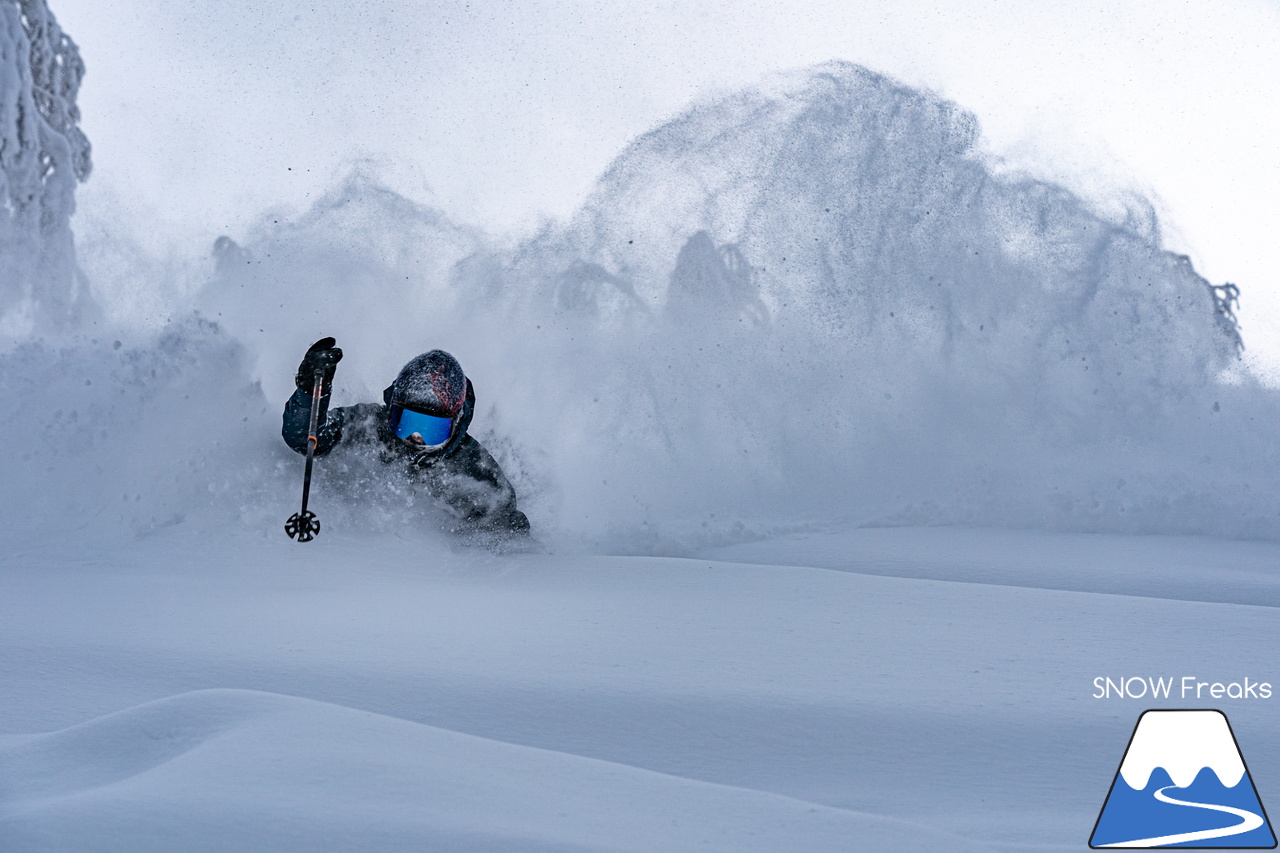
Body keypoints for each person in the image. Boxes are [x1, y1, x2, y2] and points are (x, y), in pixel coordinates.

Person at [282, 337, 530, 536]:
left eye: (433, 428)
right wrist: (310, 392)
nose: (416, 437)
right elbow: (308, 439)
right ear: (392, 409)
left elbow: (505, 539)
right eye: (406, 422)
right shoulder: (369, 425)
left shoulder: (474, 472)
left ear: (456, 423)